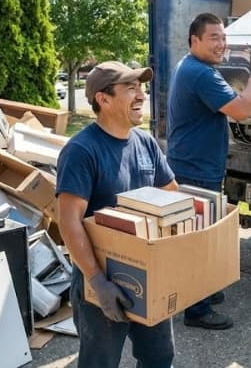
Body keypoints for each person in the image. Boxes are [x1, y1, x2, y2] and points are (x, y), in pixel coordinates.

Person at [57, 61, 178, 367]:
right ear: (103, 98)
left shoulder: (145, 143)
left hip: (147, 275)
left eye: (141, 87)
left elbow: (171, 192)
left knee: (159, 356)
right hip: (102, 281)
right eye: (130, 88)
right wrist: (97, 281)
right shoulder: (82, 151)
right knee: (100, 362)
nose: (141, 95)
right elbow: (69, 221)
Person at [167, 12, 251, 330]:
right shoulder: (201, 74)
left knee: (200, 234)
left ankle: (201, 293)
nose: (221, 44)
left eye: (223, 37)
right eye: (213, 37)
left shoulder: (190, 66)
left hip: (193, 165)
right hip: (196, 170)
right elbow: (241, 110)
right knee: (199, 240)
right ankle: (196, 311)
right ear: (194, 40)